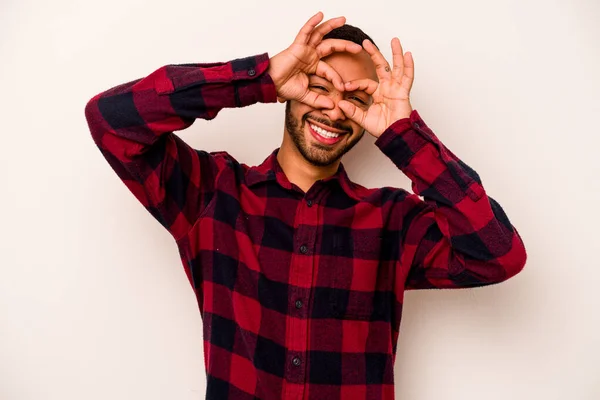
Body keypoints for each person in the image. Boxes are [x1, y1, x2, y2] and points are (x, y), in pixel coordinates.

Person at [84, 11, 527, 400]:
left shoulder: (394, 221)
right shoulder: (212, 194)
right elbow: (111, 121)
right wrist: (259, 78)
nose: (334, 111)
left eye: (355, 100)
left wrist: (403, 133)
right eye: (319, 87)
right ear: (289, 90)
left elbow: (498, 255)